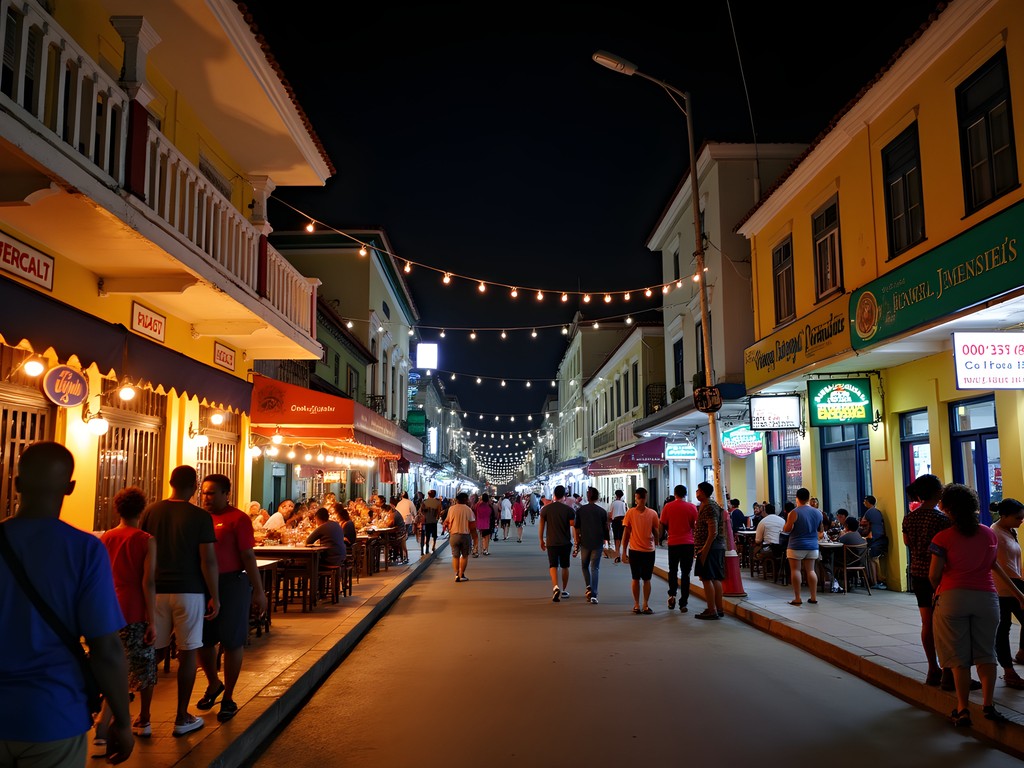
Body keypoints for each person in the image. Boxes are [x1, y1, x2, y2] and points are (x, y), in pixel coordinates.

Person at [0, 442, 135, 765]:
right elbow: (106, 649)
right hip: (53, 714)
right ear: (71, 487)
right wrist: (122, 720)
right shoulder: (84, 550)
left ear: (17, 484)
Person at [929, 483, 1023, 727]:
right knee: (986, 653)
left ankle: (962, 708)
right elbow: (994, 566)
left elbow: (933, 575)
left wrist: (940, 588)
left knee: (959, 657)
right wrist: (1018, 594)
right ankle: (988, 705)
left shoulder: (943, 538)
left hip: (952, 598)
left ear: (948, 509)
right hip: (986, 599)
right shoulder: (988, 534)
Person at [140, 465, 219, 736]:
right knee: (187, 652)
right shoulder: (200, 517)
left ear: (170, 482)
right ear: (195, 486)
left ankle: (144, 718)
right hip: (190, 591)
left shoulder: (151, 512)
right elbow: (207, 560)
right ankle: (182, 717)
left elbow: (143, 551)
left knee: (154, 652)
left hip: (156, 591)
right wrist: (215, 596)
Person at [195, 473, 266, 724]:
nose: (206, 497)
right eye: (204, 492)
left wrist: (258, 591)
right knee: (202, 641)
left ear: (226, 494)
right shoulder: (198, 519)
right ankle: (214, 683)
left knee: (232, 640)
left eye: (212, 493)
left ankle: (229, 697)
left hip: (232, 584)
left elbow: (248, 556)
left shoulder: (238, 519)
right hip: (202, 585)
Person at [97, 486, 157, 742]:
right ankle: (141, 718)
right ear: (141, 510)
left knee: (113, 665)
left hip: (108, 609)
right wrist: (152, 620)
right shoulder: (145, 540)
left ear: (117, 509)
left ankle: (105, 721)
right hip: (134, 609)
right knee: (143, 666)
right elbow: (148, 582)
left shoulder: (105, 538)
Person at [901, 473, 953, 688]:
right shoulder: (942, 519)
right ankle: (950, 670)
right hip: (939, 575)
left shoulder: (909, 518)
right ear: (936, 492)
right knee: (946, 624)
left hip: (917, 573)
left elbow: (908, 543)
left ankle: (933, 668)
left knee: (927, 623)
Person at [991, 498, 1024, 689]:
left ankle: (1021, 653)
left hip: (1016, 583)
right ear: (1003, 516)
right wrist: (1019, 595)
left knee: (1004, 627)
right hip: (1004, 588)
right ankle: (1008, 671)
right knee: (1003, 629)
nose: (1021, 521)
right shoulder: (995, 534)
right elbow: (999, 568)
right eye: (1018, 518)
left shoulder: (1010, 530)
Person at [621, 487, 660, 614]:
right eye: (640, 497)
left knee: (646, 579)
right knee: (636, 578)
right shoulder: (630, 513)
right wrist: (623, 551)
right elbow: (626, 533)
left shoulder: (652, 513)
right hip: (635, 550)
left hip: (648, 550)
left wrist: (657, 540)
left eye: (643, 497)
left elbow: (656, 530)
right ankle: (637, 604)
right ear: (636, 498)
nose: (642, 500)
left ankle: (645, 604)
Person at [660, 484, 698, 613]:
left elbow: (663, 524)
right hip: (688, 543)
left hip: (673, 543)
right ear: (685, 494)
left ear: (675, 494)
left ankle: (672, 595)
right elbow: (695, 526)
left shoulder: (668, 507)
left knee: (673, 570)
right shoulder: (692, 507)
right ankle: (684, 602)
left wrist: (661, 538)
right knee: (686, 573)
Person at [783, 487, 823, 606]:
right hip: (812, 546)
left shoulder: (794, 512)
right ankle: (813, 597)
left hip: (796, 545)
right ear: (808, 498)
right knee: (811, 570)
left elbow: (787, 529)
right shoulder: (818, 512)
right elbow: (820, 530)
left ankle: (797, 598)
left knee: (795, 570)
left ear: (797, 498)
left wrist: (786, 525)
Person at [693, 481, 726, 620]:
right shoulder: (707, 506)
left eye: (698, 490)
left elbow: (713, 531)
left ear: (703, 492)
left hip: (710, 548)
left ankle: (712, 609)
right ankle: (718, 608)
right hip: (714, 547)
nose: (696, 492)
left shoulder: (709, 507)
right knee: (714, 578)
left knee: (707, 578)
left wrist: (704, 550)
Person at [539, 485, 575, 602]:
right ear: (564, 496)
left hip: (551, 542)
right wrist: (576, 541)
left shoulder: (546, 509)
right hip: (565, 542)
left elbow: (541, 526)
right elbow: (573, 526)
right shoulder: (569, 510)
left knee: (553, 565)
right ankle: (564, 590)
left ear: (554, 495)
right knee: (565, 566)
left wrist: (541, 540)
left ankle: (555, 587)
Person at [574, 487, 609, 604]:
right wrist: (606, 541)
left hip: (585, 542)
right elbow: (606, 529)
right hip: (597, 543)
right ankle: (594, 594)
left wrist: (577, 542)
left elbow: (577, 527)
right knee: (595, 568)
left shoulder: (580, 511)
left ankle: (588, 587)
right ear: (597, 497)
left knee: (584, 566)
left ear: (587, 497)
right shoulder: (602, 512)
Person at [443, 492, 475, 581]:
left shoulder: (451, 509)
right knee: (464, 556)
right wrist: (474, 537)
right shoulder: (468, 509)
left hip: (454, 535)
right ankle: (462, 574)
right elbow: (472, 524)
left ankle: (456, 574)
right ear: (465, 499)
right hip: (465, 535)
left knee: (455, 556)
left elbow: (447, 521)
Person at [860, 494, 888, 588]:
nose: (864, 503)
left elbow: (863, 525)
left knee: (873, 560)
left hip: (874, 539)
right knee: (875, 559)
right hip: (880, 538)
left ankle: (875, 581)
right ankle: (878, 580)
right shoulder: (877, 512)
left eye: (865, 501)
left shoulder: (869, 512)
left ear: (868, 502)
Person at [419, 489, 442, 554]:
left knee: (427, 534)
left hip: (426, 521)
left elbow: (421, 511)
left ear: (428, 494)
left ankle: (426, 548)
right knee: (434, 534)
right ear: (434, 495)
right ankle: (433, 545)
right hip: (434, 521)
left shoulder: (424, 501)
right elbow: (439, 512)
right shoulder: (438, 502)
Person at [609, 489, 628, 563]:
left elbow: (610, 513)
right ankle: (622, 552)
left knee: (616, 537)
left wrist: (609, 521)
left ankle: (617, 553)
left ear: (615, 495)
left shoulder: (613, 503)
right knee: (621, 537)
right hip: (622, 521)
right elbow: (626, 513)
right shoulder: (624, 503)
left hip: (615, 521)